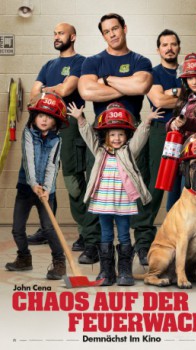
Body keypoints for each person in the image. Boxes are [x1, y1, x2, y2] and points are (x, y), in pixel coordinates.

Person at [78, 13, 153, 265]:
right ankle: (92, 245)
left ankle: (142, 246)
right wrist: (126, 84)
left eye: (115, 28)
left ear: (124, 28)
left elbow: (141, 87)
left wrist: (107, 80)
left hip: (131, 135)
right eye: (107, 31)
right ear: (103, 35)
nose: (112, 34)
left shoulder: (140, 60)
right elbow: (87, 90)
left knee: (137, 188)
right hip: (102, 136)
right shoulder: (93, 61)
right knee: (97, 186)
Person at [67, 101, 164, 286]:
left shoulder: (128, 151)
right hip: (103, 201)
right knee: (105, 234)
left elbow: (140, 138)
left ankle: (125, 271)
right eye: (113, 135)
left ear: (126, 135)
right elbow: (88, 136)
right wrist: (80, 118)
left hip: (123, 201)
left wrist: (147, 122)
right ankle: (106, 271)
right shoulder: (100, 151)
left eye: (121, 134)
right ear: (106, 136)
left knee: (124, 234)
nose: (117, 138)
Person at [28, 22, 101, 264]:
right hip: (45, 131)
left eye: (61, 33)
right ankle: (46, 228)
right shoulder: (49, 65)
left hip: (69, 129)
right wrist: (51, 91)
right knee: (43, 182)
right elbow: (33, 94)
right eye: (55, 33)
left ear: (73, 36)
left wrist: (47, 93)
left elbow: (67, 88)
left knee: (74, 184)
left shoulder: (82, 62)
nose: (56, 36)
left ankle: (90, 236)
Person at [130, 29, 182, 265]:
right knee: (156, 186)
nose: (169, 48)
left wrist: (172, 93)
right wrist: (182, 95)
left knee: (184, 188)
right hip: (162, 132)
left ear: (178, 47)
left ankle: (177, 241)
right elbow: (159, 101)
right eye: (164, 45)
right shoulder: (153, 73)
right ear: (158, 49)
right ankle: (142, 242)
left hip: (187, 132)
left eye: (173, 44)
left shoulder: (186, 72)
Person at [5, 93, 68, 280]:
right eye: (41, 115)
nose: (44, 119)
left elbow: (52, 166)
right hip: (26, 188)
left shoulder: (56, 140)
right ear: (35, 117)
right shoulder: (27, 133)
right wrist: (33, 184)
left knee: (49, 229)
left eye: (49, 117)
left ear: (55, 121)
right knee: (17, 229)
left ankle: (59, 263)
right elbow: (28, 160)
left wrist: (47, 188)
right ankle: (24, 258)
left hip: (47, 193)